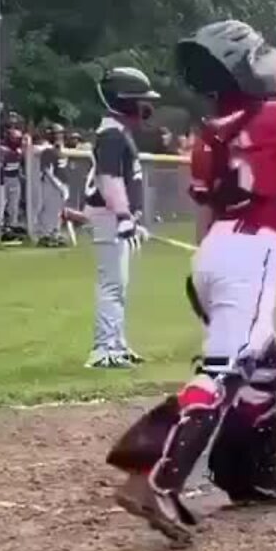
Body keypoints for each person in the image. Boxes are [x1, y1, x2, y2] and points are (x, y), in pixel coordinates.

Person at [106, 20, 276, 546]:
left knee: (265, 363)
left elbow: (210, 214)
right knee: (228, 367)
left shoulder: (214, 130)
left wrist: (207, 275)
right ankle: (156, 479)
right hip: (252, 254)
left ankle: (252, 477)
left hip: (213, 253)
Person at [83, 68, 160, 369]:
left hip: (114, 217)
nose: (146, 108)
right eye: (141, 101)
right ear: (126, 101)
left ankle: (116, 343)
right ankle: (104, 350)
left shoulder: (117, 132)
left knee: (119, 284)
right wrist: (124, 216)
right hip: (108, 218)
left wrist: (132, 219)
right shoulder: (112, 135)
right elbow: (110, 179)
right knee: (112, 285)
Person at [36, 122, 70, 248]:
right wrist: (59, 185)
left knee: (58, 211)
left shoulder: (60, 150)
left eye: (60, 134)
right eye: (56, 134)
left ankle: (55, 233)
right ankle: (45, 235)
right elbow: (47, 171)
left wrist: (64, 186)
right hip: (52, 185)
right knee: (50, 210)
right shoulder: (48, 152)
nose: (59, 136)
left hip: (62, 185)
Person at [0, 126, 26, 236]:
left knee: (14, 204)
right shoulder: (2, 148)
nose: (18, 141)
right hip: (2, 180)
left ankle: (12, 225)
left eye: (19, 138)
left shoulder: (20, 149)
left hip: (14, 178)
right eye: (15, 138)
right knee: (1, 203)